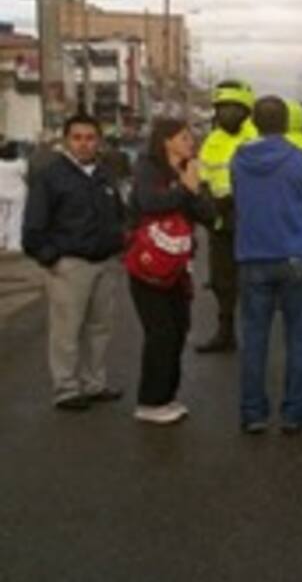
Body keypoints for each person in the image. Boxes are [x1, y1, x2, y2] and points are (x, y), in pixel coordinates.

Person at [22, 113, 126, 410]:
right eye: (77, 138)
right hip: (69, 265)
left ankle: (95, 383)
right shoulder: (51, 176)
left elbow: (119, 213)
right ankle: (66, 388)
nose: (84, 144)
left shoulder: (105, 175)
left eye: (90, 138)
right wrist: (51, 258)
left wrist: (119, 244)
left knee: (100, 329)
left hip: (105, 263)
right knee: (66, 331)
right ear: (66, 140)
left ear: (99, 141)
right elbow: (33, 225)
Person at [232, 96, 302, 434]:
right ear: (286, 123)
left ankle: (253, 413)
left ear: (254, 123)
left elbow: (237, 197)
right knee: (298, 337)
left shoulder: (239, 159)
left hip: (252, 255)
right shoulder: (301, 160)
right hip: (294, 254)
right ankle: (295, 412)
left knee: (254, 337)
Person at [127, 118, 215, 424]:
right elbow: (150, 203)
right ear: (166, 141)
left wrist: (195, 188)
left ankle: (167, 395)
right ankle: (150, 401)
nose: (191, 143)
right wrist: (184, 190)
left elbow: (206, 214)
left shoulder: (189, 170)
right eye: (184, 137)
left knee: (179, 329)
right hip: (148, 264)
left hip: (179, 265)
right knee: (160, 332)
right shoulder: (147, 168)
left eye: (191, 138)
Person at [196, 79, 258, 353]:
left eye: (232, 107)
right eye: (221, 108)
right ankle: (225, 332)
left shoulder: (255, 138)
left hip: (251, 221)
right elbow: (204, 177)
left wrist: (236, 200)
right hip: (220, 222)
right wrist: (209, 205)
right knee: (222, 281)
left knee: (254, 281)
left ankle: (255, 334)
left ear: (245, 110)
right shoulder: (213, 140)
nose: (225, 113)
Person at [0, 140, 28, 250]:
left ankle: (1, 240)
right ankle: (14, 243)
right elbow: (25, 175)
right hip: (17, 193)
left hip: (1, 193)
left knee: (1, 217)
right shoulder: (20, 163)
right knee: (16, 218)